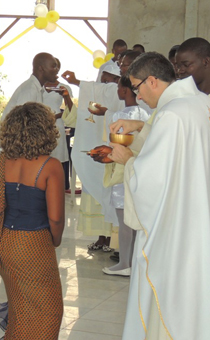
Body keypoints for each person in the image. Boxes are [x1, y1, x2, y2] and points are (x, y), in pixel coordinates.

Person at [108, 52, 210, 339]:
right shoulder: (200, 102)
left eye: (137, 87)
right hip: (205, 221)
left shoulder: (172, 114)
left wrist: (127, 160)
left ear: (152, 81)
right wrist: (141, 127)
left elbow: (153, 181)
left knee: (174, 301)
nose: (137, 97)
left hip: (179, 232)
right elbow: (181, 151)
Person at [0, 102, 65, 339]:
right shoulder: (50, 166)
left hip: (5, 243)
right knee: (49, 312)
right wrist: (54, 240)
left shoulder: (4, 160)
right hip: (34, 244)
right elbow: (55, 218)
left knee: (20, 311)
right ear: (45, 130)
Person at [90, 75, 149, 277]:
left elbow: (113, 146)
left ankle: (124, 263)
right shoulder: (145, 114)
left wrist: (99, 154)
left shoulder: (119, 117)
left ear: (124, 91)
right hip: (140, 173)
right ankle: (136, 262)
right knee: (138, 222)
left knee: (125, 224)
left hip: (123, 173)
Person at [0, 52, 60, 164]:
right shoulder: (30, 90)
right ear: (41, 68)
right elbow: (20, 126)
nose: (57, 69)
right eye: (53, 66)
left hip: (16, 146)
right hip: (8, 147)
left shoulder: (37, 88)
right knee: (6, 181)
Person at [175, 37, 210, 159]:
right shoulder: (174, 101)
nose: (180, 71)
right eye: (177, 66)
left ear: (206, 62)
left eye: (185, 65)